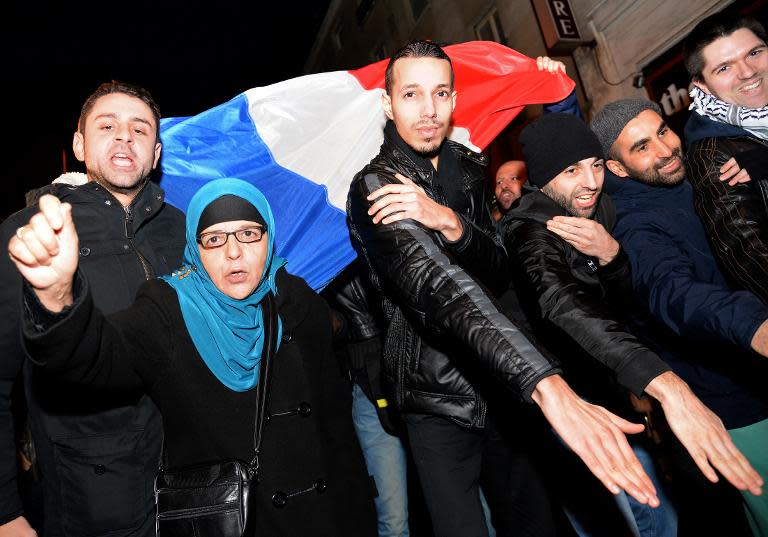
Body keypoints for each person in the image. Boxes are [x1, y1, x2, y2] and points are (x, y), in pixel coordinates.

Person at [347, 39, 660, 537]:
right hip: (436, 394)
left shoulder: (470, 169)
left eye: (440, 94)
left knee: (537, 522)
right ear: (388, 104)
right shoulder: (374, 186)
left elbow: (496, 270)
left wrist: (451, 222)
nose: (428, 110)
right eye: (411, 95)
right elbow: (441, 289)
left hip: (502, 384)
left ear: (453, 100)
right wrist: (545, 383)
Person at [9, 178, 377, 536]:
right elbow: (96, 358)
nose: (234, 252)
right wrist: (57, 298)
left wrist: (358, 517)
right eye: (214, 239)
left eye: (249, 233)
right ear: (194, 247)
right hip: (229, 521)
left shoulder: (298, 301)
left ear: (268, 238)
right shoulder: (167, 309)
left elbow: (337, 434)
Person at [503, 111, 763, 536]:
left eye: (595, 165)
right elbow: (564, 306)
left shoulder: (599, 209)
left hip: (609, 385)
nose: (589, 180)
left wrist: (612, 258)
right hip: (557, 401)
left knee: (660, 513)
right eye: (571, 171)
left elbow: (624, 303)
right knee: (631, 517)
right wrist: (664, 383)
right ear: (546, 179)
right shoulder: (533, 232)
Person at [0, 81, 186, 537]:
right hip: (89, 502)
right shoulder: (33, 232)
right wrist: (4, 511)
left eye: (139, 129)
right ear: (80, 144)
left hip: (192, 489)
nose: (124, 136)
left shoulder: (184, 230)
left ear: (156, 153)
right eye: (108, 125)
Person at [589, 98, 768, 535]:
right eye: (642, 147)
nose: (665, 149)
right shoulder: (632, 225)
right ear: (618, 169)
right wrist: (754, 325)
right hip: (738, 401)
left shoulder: (696, 177)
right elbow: (675, 293)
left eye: (663, 131)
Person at [683, 14, 768, 304]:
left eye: (754, 53)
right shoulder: (712, 153)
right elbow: (749, 257)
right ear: (702, 85)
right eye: (724, 68)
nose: (747, 72)